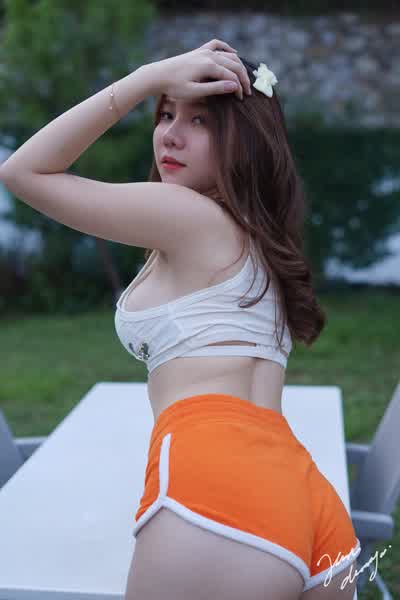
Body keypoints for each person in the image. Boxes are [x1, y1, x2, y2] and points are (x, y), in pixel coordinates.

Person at [0, 38, 361, 600]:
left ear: (245, 141)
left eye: (199, 121)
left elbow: (24, 171)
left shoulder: (189, 215)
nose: (170, 134)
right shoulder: (255, 235)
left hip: (216, 478)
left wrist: (145, 78)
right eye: (165, 113)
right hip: (305, 498)